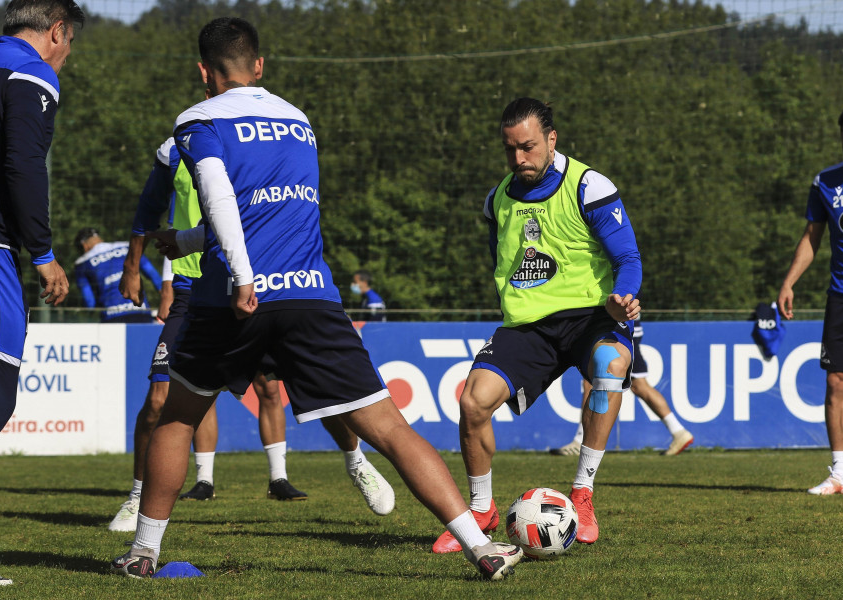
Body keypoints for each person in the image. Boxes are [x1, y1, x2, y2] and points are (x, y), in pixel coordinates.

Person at [109, 18, 519, 581]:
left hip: (233, 298)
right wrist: (185, 242)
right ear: (259, 66)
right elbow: (270, 212)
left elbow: (221, 196)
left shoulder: (198, 120)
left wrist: (244, 275)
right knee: (392, 429)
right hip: (310, 296)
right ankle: (482, 548)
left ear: (203, 72)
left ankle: (143, 553)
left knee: (178, 418)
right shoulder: (298, 121)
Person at [108, 136, 394, 532]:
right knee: (164, 396)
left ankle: (354, 462)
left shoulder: (255, 142)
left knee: (292, 388)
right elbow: (153, 210)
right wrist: (137, 267)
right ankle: (140, 496)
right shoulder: (174, 147)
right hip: (194, 288)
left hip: (261, 283)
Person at [432, 97, 641, 555]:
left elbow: (628, 256)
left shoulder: (589, 186)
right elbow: (500, 260)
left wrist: (623, 295)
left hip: (592, 317)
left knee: (610, 365)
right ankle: (481, 510)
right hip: (528, 327)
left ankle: (582, 494)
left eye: (527, 147)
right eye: (510, 150)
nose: (519, 159)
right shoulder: (497, 200)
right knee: (472, 402)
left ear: (551, 139)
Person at [0, 0, 83, 586]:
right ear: (56, 32)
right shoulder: (30, 72)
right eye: (69, 47)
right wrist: (42, 252)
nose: (66, 59)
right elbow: (22, 165)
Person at [777, 101, 843, 496]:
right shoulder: (826, 182)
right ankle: (841, 474)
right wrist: (789, 283)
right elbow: (811, 238)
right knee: (837, 382)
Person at [551, 319, 693, 456]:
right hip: (618, 326)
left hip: (617, 328)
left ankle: (581, 439)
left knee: (593, 380)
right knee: (637, 385)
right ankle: (678, 431)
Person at [74, 227, 160, 323]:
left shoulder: (82, 263)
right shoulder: (128, 246)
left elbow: (89, 301)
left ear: (84, 245)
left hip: (112, 316)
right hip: (141, 311)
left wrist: (89, 313)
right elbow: (154, 276)